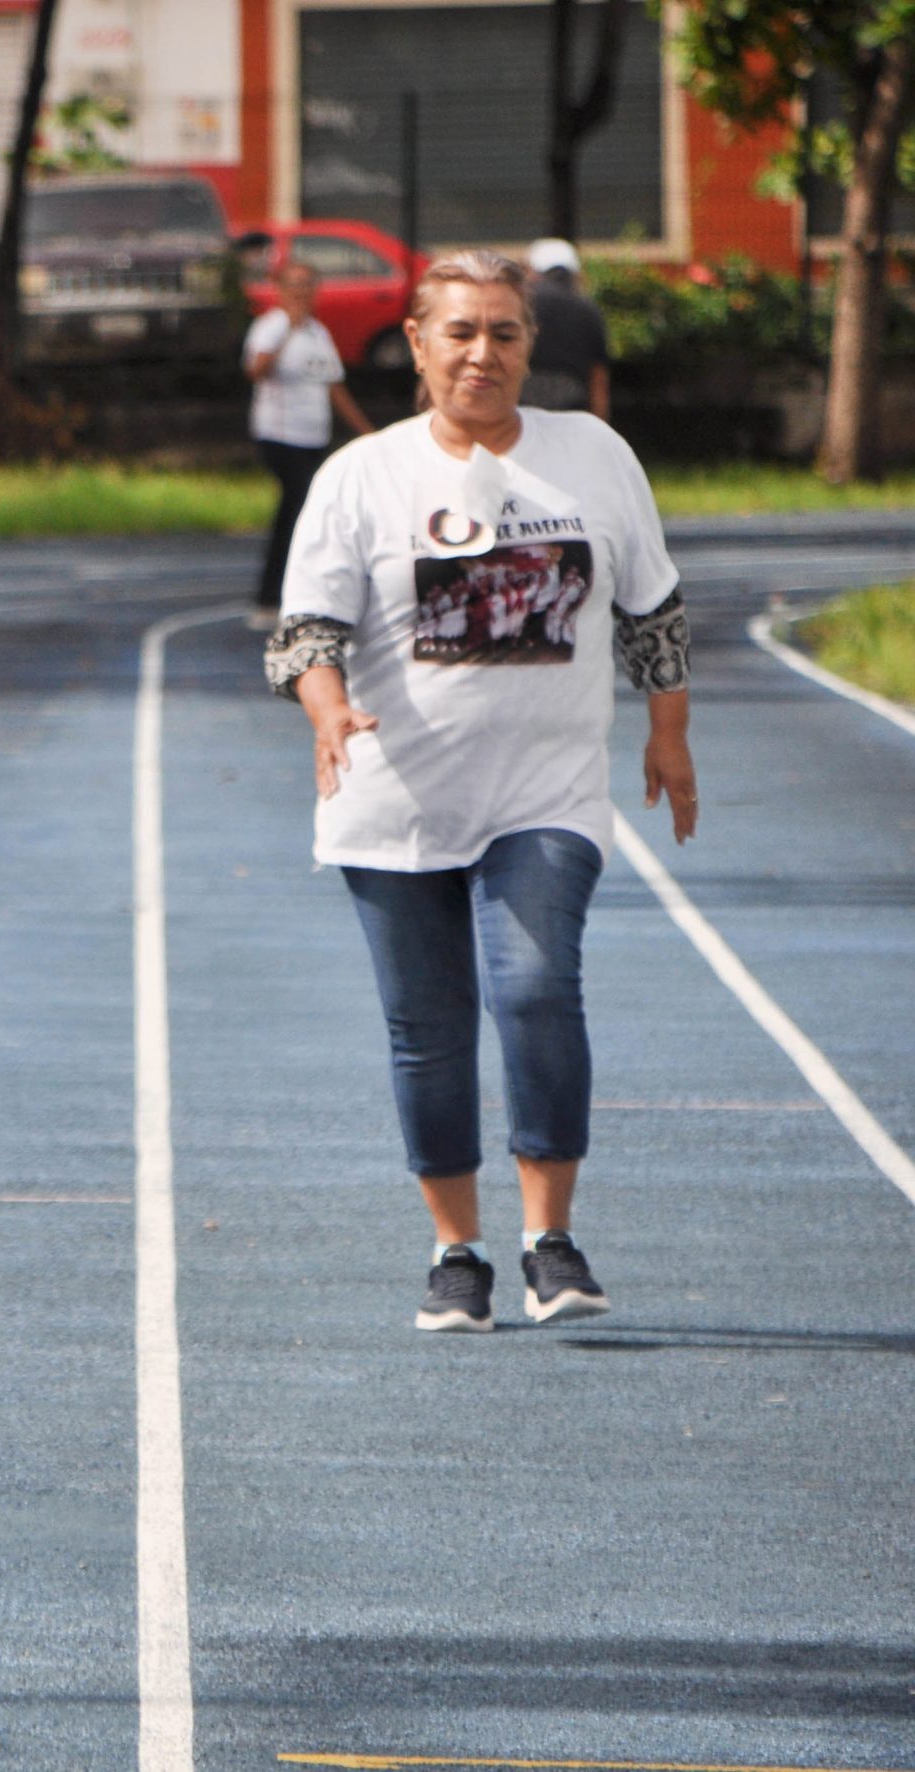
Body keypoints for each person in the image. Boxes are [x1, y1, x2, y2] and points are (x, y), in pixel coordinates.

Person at [263, 250, 695, 1334]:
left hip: (544, 791)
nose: (481, 353)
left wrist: (669, 731)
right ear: (416, 342)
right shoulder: (360, 475)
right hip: (392, 801)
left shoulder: (590, 455)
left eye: (503, 332)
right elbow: (306, 630)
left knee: (537, 984)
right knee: (429, 1026)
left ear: (528, 346)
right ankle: (457, 1251)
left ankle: (550, 1237)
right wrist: (327, 712)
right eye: (458, 331)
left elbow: (652, 608)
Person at [245, 258, 373, 629]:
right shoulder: (270, 328)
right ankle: (270, 598)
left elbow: (334, 386)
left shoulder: (319, 333)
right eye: (294, 285)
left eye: (308, 285)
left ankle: (300, 594)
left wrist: (367, 431)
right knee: (296, 509)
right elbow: (257, 371)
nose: (302, 293)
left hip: (313, 436)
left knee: (307, 512)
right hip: (280, 435)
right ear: (281, 290)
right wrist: (288, 329)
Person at [523, 238, 611, 420]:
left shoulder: (521, 304)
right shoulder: (588, 309)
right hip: (572, 406)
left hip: (521, 405)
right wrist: (601, 425)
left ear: (533, 271)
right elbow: (598, 377)